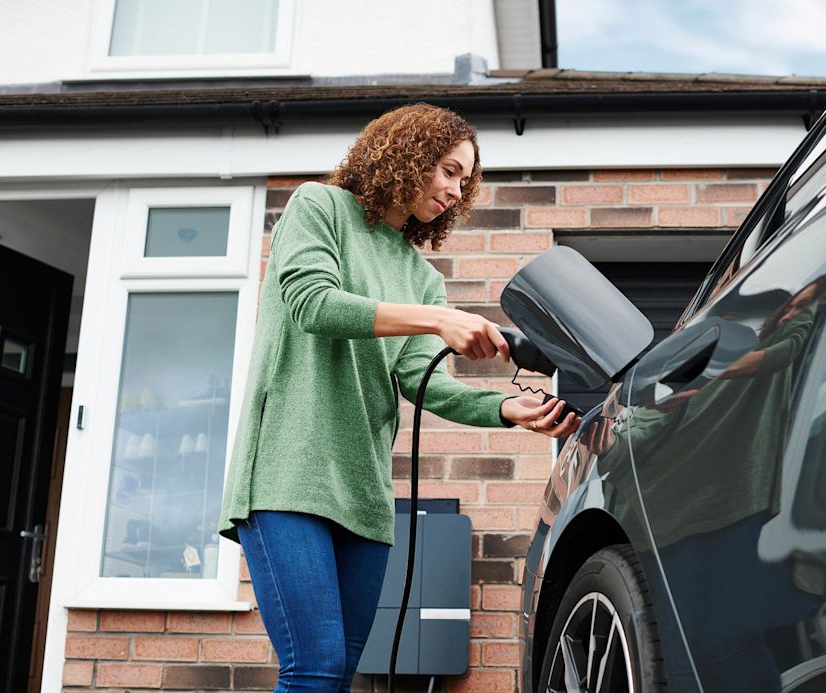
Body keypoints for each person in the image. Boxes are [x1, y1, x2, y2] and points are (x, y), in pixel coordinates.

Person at [217, 103, 579, 693]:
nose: (456, 191)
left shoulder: (421, 276)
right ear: (406, 156)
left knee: (342, 677)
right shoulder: (319, 207)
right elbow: (313, 304)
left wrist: (505, 409)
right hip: (287, 473)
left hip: (363, 494)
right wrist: (438, 319)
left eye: (464, 181)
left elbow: (421, 380)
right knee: (314, 669)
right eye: (448, 170)